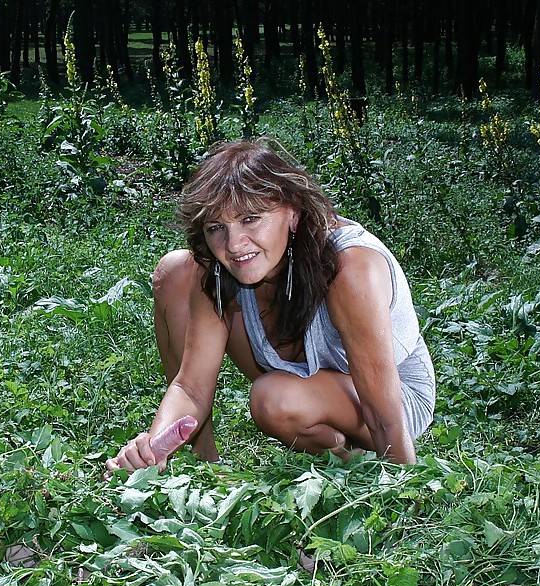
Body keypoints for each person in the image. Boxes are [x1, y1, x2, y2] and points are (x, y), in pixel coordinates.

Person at [105, 139, 435, 472]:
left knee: (273, 398)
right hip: (300, 383)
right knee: (178, 271)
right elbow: (191, 387)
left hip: (390, 398)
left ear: (292, 213)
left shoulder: (349, 266)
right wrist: (154, 447)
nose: (234, 245)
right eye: (217, 227)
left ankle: (350, 461)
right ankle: (201, 460)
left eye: (251, 219)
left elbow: (384, 413)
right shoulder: (218, 266)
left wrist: (402, 492)